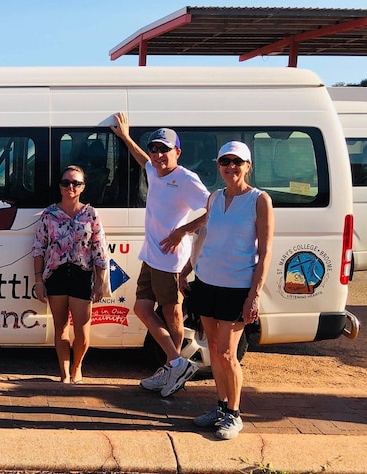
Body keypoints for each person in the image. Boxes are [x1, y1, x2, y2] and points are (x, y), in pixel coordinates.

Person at [111, 113, 209, 397]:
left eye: (164, 149)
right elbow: (143, 161)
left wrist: (181, 232)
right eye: (155, 148)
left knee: (172, 314)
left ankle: (173, 367)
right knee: (142, 309)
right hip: (151, 255)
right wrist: (126, 137)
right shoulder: (154, 169)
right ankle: (176, 363)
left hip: (171, 258)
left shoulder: (186, 179)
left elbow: (213, 209)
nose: (158, 154)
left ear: (177, 152)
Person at [185, 142, 274, 439]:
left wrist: (254, 294)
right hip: (207, 281)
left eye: (238, 162)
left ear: (248, 166)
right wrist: (187, 270)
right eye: (226, 161)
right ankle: (221, 407)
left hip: (237, 287)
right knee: (213, 349)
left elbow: (265, 252)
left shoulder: (260, 200)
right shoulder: (214, 197)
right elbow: (205, 239)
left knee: (227, 353)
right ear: (218, 164)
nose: (231, 167)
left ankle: (234, 415)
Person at [32, 166, 108, 384]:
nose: (70, 187)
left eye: (75, 183)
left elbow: (99, 250)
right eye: (66, 183)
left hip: (81, 274)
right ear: (60, 186)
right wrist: (39, 280)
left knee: (82, 331)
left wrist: (100, 282)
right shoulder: (49, 214)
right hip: (55, 274)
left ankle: (77, 367)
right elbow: (39, 248)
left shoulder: (91, 214)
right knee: (61, 327)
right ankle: (64, 374)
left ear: (83, 187)